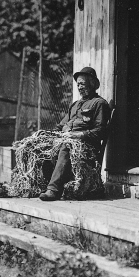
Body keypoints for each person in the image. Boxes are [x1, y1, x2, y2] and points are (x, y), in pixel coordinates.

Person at [38, 67, 111, 201]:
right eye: (78, 84)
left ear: (92, 84)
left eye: (82, 84)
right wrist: (47, 134)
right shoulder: (75, 105)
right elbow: (60, 126)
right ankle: (42, 186)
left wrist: (79, 135)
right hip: (68, 140)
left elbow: (100, 131)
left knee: (66, 146)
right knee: (42, 144)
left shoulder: (99, 104)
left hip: (86, 147)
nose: (79, 87)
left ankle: (53, 190)